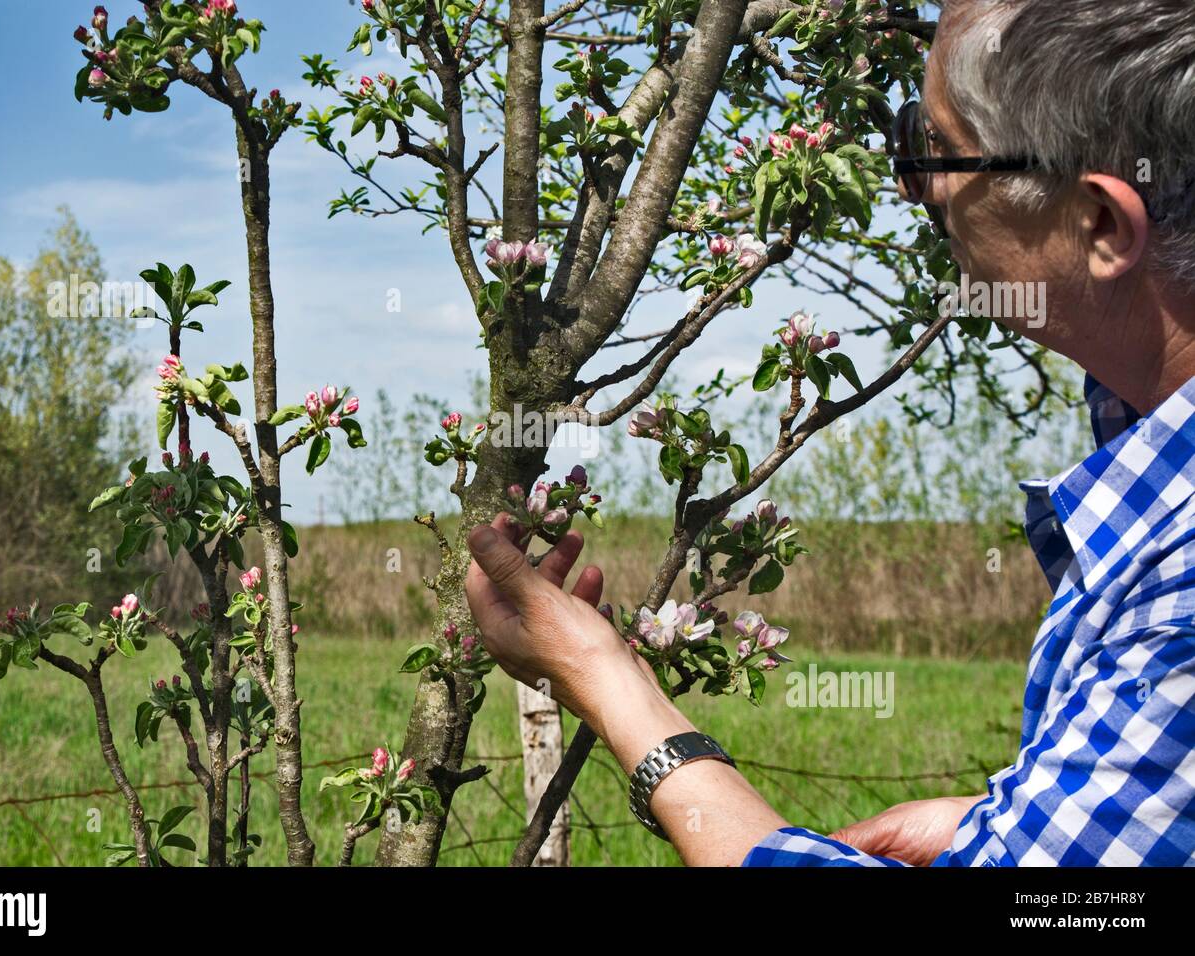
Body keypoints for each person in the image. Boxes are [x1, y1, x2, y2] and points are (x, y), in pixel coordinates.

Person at [463, 0, 1195, 866]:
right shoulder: (1136, 419)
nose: (908, 185)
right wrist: (1012, 827)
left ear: (1100, 225)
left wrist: (604, 678)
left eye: (936, 150)